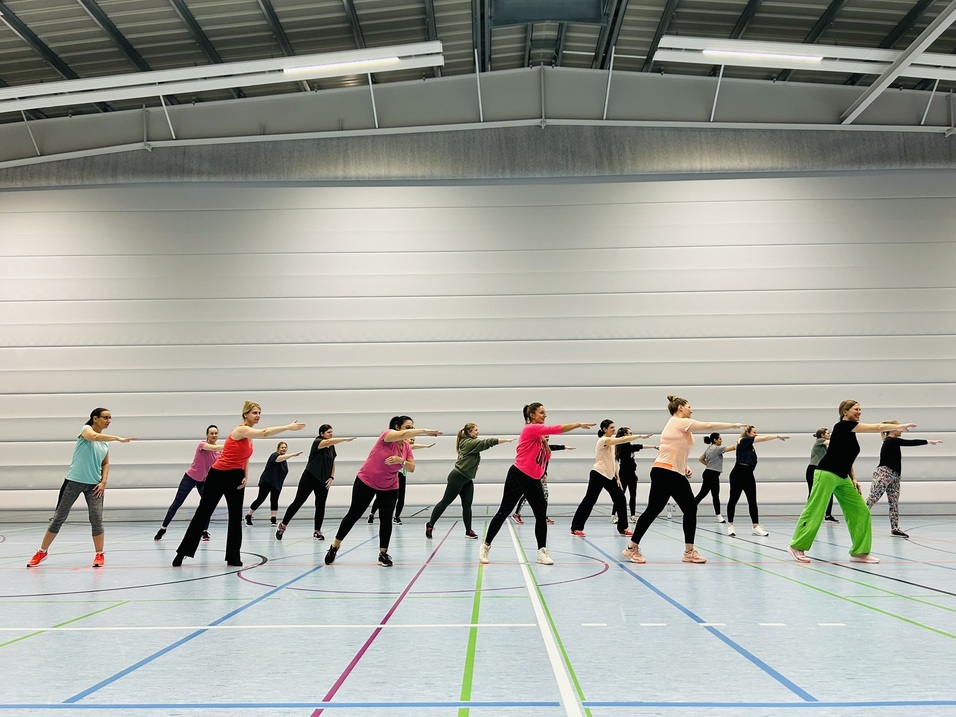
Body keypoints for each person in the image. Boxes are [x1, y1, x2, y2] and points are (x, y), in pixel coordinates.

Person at [172, 402, 304, 567]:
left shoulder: (249, 437)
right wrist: (288, 427)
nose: (258, 415)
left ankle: (233, 557)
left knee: (235, 517)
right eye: (254, 412)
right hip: (218, 475)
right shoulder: (240, 430)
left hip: (236, 477)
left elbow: (246, 457)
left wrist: (245, 475)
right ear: (245, 414)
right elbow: (265, 432)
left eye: (259, 413)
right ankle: (182, 553)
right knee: (203, 513)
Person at [622, 395, 746, 565]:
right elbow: (707, 426)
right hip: (664, 471)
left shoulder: (681, 426)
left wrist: (684, 465)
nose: (691, 409)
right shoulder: (677, 421)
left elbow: (677, 449)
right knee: (659, 509)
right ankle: (632, 548)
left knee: (686, 508)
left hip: (673, 472)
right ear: (680, 407)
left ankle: (688, 552)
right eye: (689, 406)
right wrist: (733, 425)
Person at [788, 400, 916, 564]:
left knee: (861, 511)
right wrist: (901, 425)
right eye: (856, 409)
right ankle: (796, 546)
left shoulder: (850, 431)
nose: (859, 411)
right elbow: (876, 428)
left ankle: (860, 552)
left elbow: (846, 457)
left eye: (860, 409)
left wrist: (853, 478)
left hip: (842, 477)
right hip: (826, 473)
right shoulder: (842, 426)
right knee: (815, 510)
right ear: (845, 412)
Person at [479, 403, 595, 566]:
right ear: (532, 415)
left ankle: (542, 552)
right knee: (504, 511)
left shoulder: (540, 442)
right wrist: (577, 424)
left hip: (534, 481)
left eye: (545, 412)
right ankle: (486, 546)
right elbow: (556, 429)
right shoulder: (530, 428)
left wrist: (545, 442)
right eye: (541, 413)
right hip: (518, 475)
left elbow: (547, 455)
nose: (545, 415)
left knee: (541, 516)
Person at [324, 416, 441, 567]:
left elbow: (411, 468)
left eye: (413, 428)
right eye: (408, 427)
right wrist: (425, 431)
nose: (411, 431)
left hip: (390, 485)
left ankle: (383, 554)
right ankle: (334, 546)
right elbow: (402, 435)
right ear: (397, 427)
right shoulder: (386, 436)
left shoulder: (405, 447)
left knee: (386, 519)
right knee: (354, 514)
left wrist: (401, 461)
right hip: (366, 481)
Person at [27, 408, 137, 568]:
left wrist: (104, 481)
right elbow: (93, 437)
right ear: (95, 418)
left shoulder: (105, 442)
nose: (108, 420)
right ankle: (42, 552)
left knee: (96, 519)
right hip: (74, 482)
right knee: (59, 518)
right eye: (105, 417)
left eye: (110, 418)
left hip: (95, 486)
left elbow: (105, 463)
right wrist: (118, 438)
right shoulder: (86, 430)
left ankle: (99, 555)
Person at [426, 423, 514, 539]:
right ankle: (430, 524)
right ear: (469, 432)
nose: (477, 432)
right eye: (475, 430)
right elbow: (486, 443)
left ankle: (468, 531)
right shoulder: (468, 443)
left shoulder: (470, 442)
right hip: (457, 477)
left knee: (467, 506)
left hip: (467, 479)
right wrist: (505, 440)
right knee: (445, 502)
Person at [570, 419, 652, 537]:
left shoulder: (612, 444)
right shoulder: (604, 440)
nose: (614, 429)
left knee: (620, 499)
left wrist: (617, 478)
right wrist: (639, 436)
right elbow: (622, 439)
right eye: (612, 427)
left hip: (610, 476)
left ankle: (623, 528)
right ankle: (576, 528)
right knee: (589, 500)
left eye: (614, 427)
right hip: (598, 474)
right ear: (605, 429)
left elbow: (613, 463)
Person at [275, 425, 356, 541]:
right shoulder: (317, 442)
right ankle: (283, 525)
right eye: (328, 432)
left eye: (332, 432)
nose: (331, 434)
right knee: (298, 501)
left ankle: (317, 531)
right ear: (322, 434)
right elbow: (329, 441)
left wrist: (331, 477)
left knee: (320, 505)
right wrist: (344, 439)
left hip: (323, 480)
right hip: (310, 477)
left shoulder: (331, 447)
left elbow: (332, 461)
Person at [866, 420, 941, 539]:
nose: (901, 430)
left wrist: (898, 475)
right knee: (873, 498)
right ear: (891, 429)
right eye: (899, 428)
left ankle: (895, 528)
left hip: (894, 475)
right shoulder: (890, 441)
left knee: (894, 502)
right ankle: (857, 516)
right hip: (884, 474)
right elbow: (910, 442)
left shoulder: (893, 441)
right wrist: (928, 441)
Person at [154, 425, 223, 542]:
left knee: (207, 505)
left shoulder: (219, 452)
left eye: (216, 433)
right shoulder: (202, 445)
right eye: (211, 433)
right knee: (177, 503)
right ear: (207, 435)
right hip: (190, 478)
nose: (214, 435)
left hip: (203, 481)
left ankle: (204, 531)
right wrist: (231, 445)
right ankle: (163, 528)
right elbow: (212, 448)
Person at [725, 426, 789, 538]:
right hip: (738, 473)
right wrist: (777, 436)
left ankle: (756, 527)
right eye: (754, 432)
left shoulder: (751, 448)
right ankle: (730, 526)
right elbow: (764, 439)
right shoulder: (744, 441)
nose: (756, 434)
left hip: (748, 474)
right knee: (733, 499)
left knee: (752, 501)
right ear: (748, 433)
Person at [368, 440, 434, 525]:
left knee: (401, 496)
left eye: (413, 440)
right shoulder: (397, 446)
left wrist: (426, 446)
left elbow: (413, 447)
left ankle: (397, 517)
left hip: (402, 474)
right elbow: (413, 446)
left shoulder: (406, 448)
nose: (412, 441)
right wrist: (426, 446)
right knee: (384, 495)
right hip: (395, 473)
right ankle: (372, 513)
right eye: (411, 439)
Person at [512, 438, 570, 525]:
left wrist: (564, 447)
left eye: (548, 437)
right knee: (527, 495)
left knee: (544, 495)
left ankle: (543, 516)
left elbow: (550, 450)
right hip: (532, 475)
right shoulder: (536, 448)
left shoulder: (545, 448)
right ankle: (517, 514)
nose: (547, 438)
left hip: (540, 475)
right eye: (545, 436)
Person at [244, 441, 302, 526]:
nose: (284, 449)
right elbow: (279, 459)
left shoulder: (284, 461)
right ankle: (248, 515)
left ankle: (273, 518)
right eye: (282, 447)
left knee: (274, 500)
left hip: (277, 483)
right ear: (278, 448)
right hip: (267, 481)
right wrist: (293, 455)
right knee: (260, 499)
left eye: (285, 447)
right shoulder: (274, 455)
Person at [614, 426, 652, 524]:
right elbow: (640, 446)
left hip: (631, 474)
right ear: (625, 435)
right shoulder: (623, 446)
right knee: (620, 496)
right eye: (630, 433)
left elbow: (638, 448)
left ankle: (633, 516)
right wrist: (654, 446)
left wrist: (654, 446)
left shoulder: (628, 445)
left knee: (633, 495)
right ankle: (614, 515)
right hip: (623, 475)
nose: (631, 435)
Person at [695, 432, 735, 524]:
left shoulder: (709, 448)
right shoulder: (717, 449)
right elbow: (733, 447)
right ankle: (688, 509)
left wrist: (708, 465)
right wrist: (744, 442)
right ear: (715, 440)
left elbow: (701, 459)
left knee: (714, 495)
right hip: (711, 475)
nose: (721, 440)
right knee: (703, 494)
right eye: (720, 439)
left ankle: (718, 515)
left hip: (711, 474)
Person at [807, 428, 839, 524]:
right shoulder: (820, 441)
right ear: (822, 435)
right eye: (827, 433)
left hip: (822, 470)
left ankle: (828, 515)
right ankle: (809, 514)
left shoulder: (824, 446)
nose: (829, 434)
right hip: (813, 469)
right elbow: (833, 442)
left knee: (829, 492)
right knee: (813, 493)